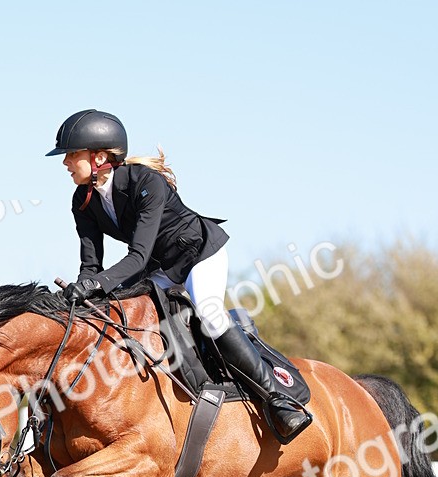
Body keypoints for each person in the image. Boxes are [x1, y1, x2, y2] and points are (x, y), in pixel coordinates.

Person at [46, 109, 311, 444]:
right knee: (126, 318)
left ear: (99, 157)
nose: (65, 163)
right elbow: (91, 266)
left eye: (72, 154)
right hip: (158, 269)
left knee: (210, 313)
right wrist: (80, 293)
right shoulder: (82, 200)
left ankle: (278, 399)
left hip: (199, 255)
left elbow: (137, 256)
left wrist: (96, 285)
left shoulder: (145, 182)